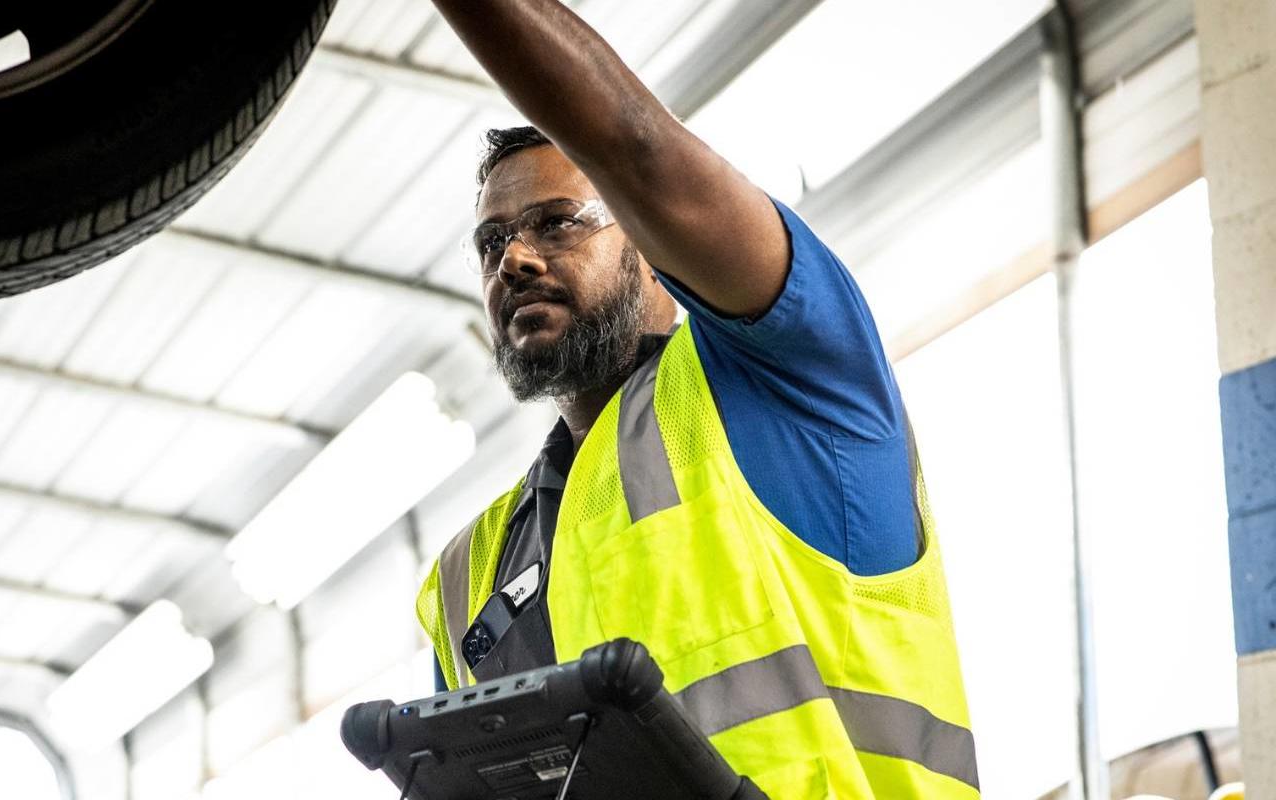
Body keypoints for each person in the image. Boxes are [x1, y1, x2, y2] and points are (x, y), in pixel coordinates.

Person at [411, 2, 979, 798]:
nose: (515, 261)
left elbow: (634, 151)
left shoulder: (783, 379)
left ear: (651, 246)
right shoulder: (466, 578)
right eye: (491, 243)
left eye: (557, 223)